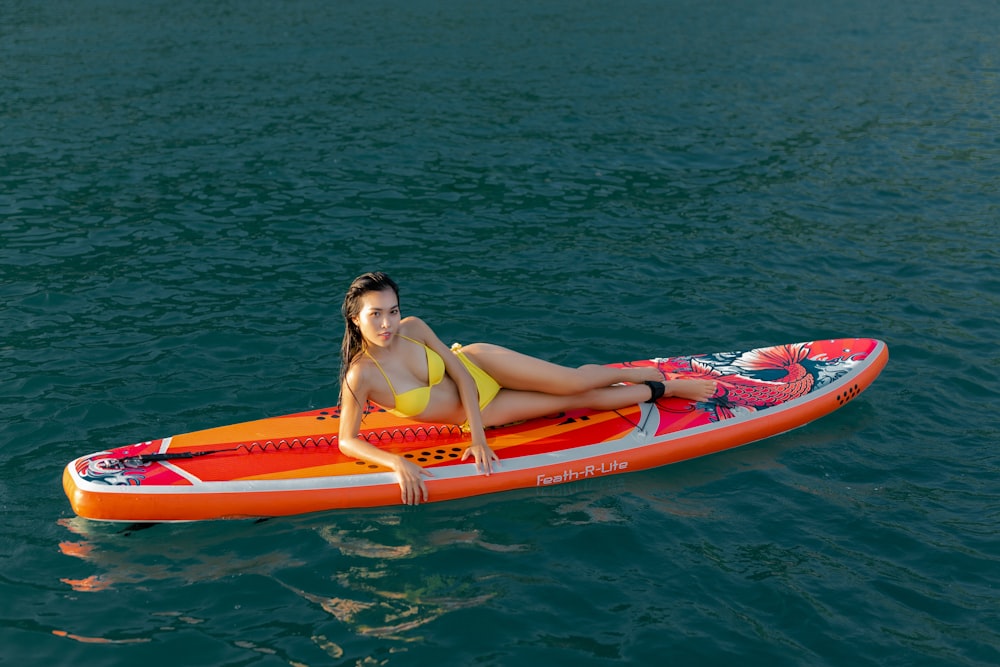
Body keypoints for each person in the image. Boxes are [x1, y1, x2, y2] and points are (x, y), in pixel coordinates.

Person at [337, 271, 717, 505]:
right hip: (487, 409)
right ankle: (660, 390)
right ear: (356, 320)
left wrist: (480, 440)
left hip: (479, 364)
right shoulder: (362, 375)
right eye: (376, 314)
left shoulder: (414, 329)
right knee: (581, 401)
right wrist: (397, 462)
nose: (388, 323)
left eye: (393, 310)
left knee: (572, 382)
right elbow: (347, 440)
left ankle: (641, 375)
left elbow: (462, 374)